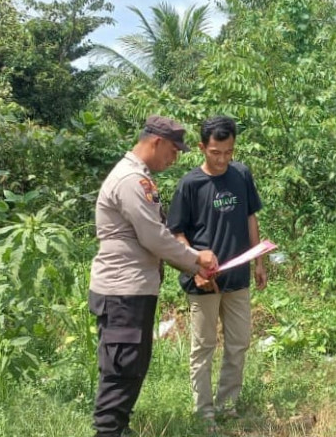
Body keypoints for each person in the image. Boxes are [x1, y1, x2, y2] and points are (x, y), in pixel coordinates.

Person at [89, 115, 219, 437]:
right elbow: (155, 238)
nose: (173, 159)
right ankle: (108, 431)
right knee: (120, 370)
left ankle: (119, 427)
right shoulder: (131, 181)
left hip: (131, 290)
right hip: (122, 292)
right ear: (156, 142)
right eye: (173, 151)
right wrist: (196, 260)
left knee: (131, 366)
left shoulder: (137, 177)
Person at [167, 115, 265, 423]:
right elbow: (177, 232)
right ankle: (204, 412)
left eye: (228, 151)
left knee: (238, 343)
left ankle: (227, 404)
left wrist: (258, 262)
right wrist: (194, 262)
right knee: (204, 346)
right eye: (215, 152)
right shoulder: (190, 185)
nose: (222, 159)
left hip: (238, 277)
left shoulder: (241, 174)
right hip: (204, 280)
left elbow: (250, 217)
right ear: (201, 148)